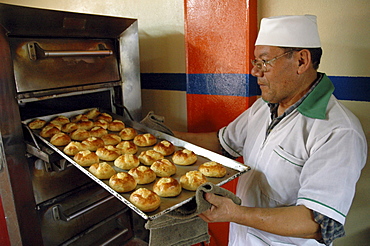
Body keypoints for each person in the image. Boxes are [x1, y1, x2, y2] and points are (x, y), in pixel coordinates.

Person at [173, 15, 367, 245]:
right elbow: (222, 143)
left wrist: (235, 213)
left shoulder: (338, 131)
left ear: (301, 61)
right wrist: (162, 137)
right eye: (255, 62)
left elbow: (316, 223)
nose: (256, 72)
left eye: (264, 61)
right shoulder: (264, 107)